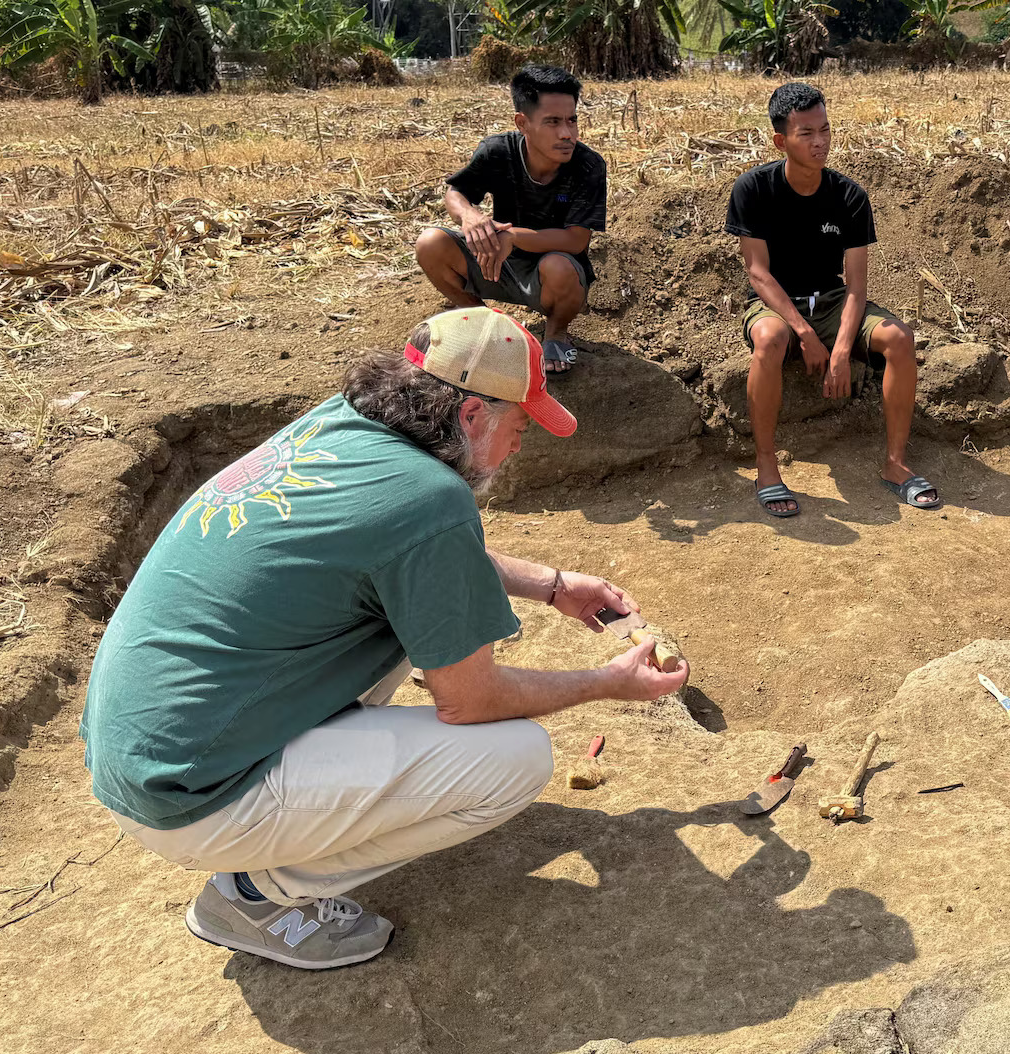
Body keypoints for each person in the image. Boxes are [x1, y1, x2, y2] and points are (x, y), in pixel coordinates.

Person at [81, 308, 688, 970]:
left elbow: (408, 554)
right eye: (520, 426)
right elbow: (470, 701)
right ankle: (255, 894)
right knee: (516, 759)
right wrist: (607, 683)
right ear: (474, 418)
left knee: (399, 624)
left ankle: (283, 822)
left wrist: (551, 584)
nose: (520, 445)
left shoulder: (338, 426)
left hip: (142, 746)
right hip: (188, 796)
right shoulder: (430, 499)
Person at [724, 82, 942, 519]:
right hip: (774, 301)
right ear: (780, 140)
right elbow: (758, 273)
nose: (820, 141)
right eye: (806, 133)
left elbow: (857, 287)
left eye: (825, 129)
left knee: (899, 338)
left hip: (831, 300)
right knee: (768, 338)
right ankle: (766, 468)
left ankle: (896, 465)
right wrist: (804, 334)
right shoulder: (753, 189)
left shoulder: (849, 196)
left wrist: (841, 350)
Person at [415, 64, 606, 375]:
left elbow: (576, 240)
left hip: (551, 273)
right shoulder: (497, 152)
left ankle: (556, 332)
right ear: (523, 122)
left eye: (572, 120)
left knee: (558, 265)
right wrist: (470, 215)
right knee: (430, 243)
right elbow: (456, 192)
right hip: (495, 262)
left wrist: (513, 236)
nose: (566, 133)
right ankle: (480, 321)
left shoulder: (588, 166)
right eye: (553, 122)